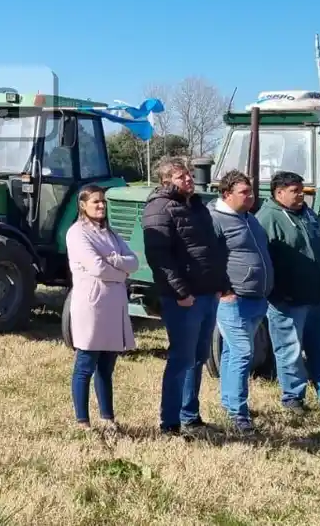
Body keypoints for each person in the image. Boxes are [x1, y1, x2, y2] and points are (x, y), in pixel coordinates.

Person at [256, 171, 320, 421]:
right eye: (295, 191)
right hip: (288, 301)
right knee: (290, 352)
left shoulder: (308, 215)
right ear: (279, 193)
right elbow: (262, 260)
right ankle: (293, 398)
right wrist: (279, 291)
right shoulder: (267, 219)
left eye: (301, 190)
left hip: (318, 298)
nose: (301, 195)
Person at [142, 157, 227, 436]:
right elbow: (159, 257)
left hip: (206, 294)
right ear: (166, 181)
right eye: (181, 177)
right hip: (184, 298)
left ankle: (190, 414)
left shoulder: (197, 206)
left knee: (199, 357)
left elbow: (210, 248)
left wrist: (218, 283)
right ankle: (170, 422)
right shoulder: (159, 208)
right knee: (181, 358)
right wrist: (181, 292)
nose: (189, 179)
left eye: (189, 174)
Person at [65, 184, 139, 431]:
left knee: (106, 367)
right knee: (85, 364)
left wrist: (116, 260)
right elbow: (96, 266)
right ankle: (82, 421)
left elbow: (134, 261)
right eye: (95, 201)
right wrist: (120, 274)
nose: (101, 206)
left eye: (103, 202)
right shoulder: (77, 233)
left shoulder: (111, 234)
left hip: (114, 306)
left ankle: (108, 418)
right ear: (83, 205)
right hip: (92, 305)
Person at [208, 170, 272, 434]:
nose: (251, 197)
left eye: (251, 191)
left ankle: (228, 401)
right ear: (227, 195)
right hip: (232, 299)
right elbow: (208, 258)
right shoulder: (216, 220)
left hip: (256, 298)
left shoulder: (249, 219)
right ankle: (238, 413)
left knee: (232, 353)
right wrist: (222, 290)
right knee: (243, 352)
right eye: (244, 192)